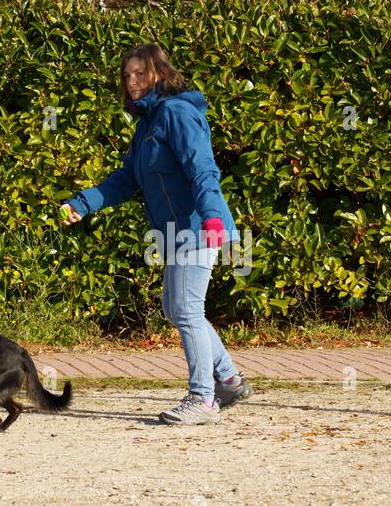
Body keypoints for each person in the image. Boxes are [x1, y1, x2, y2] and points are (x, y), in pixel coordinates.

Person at [58, 43, 253, 425]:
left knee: (186, 309)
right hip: (173, 230)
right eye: (127, 75)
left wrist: (213, 216)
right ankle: (228, 379)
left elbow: (203, 168)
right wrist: (83, 204)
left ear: (160, 74)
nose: (132, 82)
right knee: (175, 308)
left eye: (139, 74)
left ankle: (204, 398)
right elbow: (128, 178)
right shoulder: (148, 123)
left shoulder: (177, 113)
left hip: (198, 226)